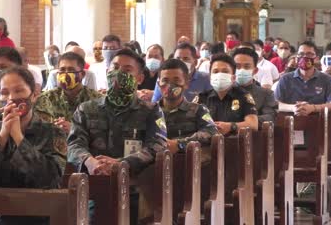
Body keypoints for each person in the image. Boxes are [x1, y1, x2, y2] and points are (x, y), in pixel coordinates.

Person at [67, 49, 167, 224]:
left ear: (139, 78)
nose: (119, 73)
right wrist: (91, 162)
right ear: (107, 72)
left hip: (136, 188)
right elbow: (74, 145)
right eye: (115, 67)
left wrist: (121, 163)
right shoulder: (86, 109)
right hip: (93, 186)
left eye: (127, 70)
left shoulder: (151, 111)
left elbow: (157, 146)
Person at [0, 66, 63, 225]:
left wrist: (18, 137)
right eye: (5, 93)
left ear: (33, 95)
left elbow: (49, 179)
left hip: (40, 217)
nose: (11, 98)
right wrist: (3, 136)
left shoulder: (52, 132)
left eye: (19, 91)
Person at [157, 59, 218, 159]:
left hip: (189, 166)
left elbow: (211, 131)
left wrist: (180, 144)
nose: (170, 85)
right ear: (159, 84)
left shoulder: (198, 110)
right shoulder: (150, 111)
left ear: (186, 83)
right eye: (165, 80)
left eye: (176, 80)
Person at [36, 52, 101, 135]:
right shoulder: (45, 99)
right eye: (62, 70)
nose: (66, 74)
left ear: (82, 74)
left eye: (71, 70)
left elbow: (101, 134)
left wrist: (75, 129)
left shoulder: (97, 100)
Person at [194, 53, 258, 136]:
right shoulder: (202, 98)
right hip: (207, 144)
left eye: (225, 71)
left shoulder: (243, 96)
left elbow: (253, 125)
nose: (220, 75)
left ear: (233, 78)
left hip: (235, 144)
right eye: (215, 71)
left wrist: (231, 126)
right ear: (210, 76)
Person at [274, 41, 331, 115]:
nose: (304, 57)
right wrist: (293, 108)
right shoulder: (286, 79)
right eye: (301, 54)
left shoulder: (326, 79)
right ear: (296, 58)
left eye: (309, 54)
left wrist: (313, 108)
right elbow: (276, 104)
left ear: (316, 58)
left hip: (318, 121)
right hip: (291, 121)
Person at [232, 48, 277, 127]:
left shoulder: (266, 93)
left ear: (255, 70)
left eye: (247, 67)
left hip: (254, 136)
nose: (241, 70)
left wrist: (245, 121)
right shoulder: (224, 91)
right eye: (237, 66)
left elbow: (270, 117)